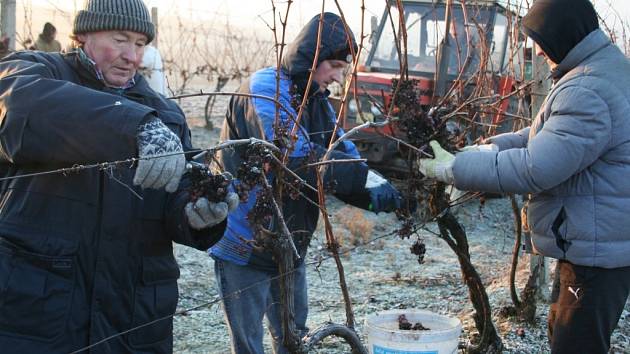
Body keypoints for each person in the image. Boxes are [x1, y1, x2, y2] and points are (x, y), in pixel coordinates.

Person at [0, 0, 237, 353]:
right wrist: (133, 127)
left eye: (140, 44)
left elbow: (177, 190)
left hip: (134, 316)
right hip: (39, 311)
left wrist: (196, 213)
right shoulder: (36, 71)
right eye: (120, 39)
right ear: (83, 35)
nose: (132, 56)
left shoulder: (166, 114)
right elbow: (16, 109)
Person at [418, 0, 630, 353]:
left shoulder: (587, 88)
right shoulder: (602, 70)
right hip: (598, 240)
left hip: (595, 253)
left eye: (539, 39)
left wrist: (454, 169)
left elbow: (535, 168)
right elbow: (544, 135)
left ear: (559, 36)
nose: (537, 50)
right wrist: (489, 150)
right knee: (566, 337)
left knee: (575, 346)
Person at [212, 12, 403, 354]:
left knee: (294, 337)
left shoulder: (318, 102)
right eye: (332, 65)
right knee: (248, 344)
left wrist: (378, 192)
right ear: (308, 57)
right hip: (245, 239)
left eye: (342, 69)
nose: (337, 76)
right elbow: (297, 162)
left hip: (291, 239)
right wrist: (365, 178)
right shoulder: (266, 90)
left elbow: (341, 151)